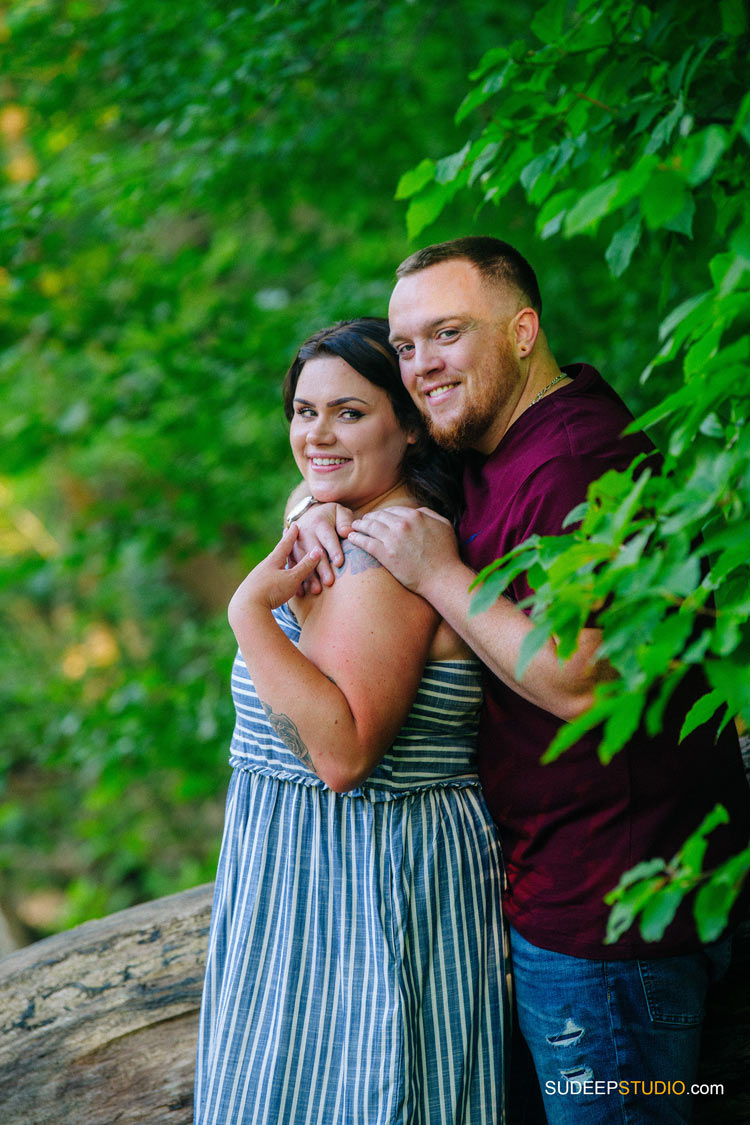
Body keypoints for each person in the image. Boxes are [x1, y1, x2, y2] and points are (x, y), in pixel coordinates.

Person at [294, 239, 750, 1124]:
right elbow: (362, 447)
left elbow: (587, 678)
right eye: (408, 345)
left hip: (614, 922)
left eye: (447, 335)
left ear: (522, 330)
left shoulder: (575, 461)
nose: (422, 366)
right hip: (572, 901)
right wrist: (314, 502)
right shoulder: (499, 437)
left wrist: (436, 574)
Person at [193, 317, 509, 1125]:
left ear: (409, 423)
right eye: (304, 411)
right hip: (311, 883)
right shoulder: (342, 519)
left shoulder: (373, 562)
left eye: (349, 412)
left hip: (357, 893)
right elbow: (320, 477)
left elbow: (341, 756)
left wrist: (248, 614)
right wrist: (308, 502)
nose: (316, 434)